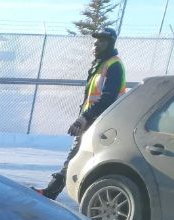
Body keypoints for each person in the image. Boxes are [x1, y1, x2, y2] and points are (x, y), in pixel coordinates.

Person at [36, 27, 126, 199]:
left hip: (102, 122)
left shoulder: (114, 66)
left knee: (85, 158)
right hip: (93, 121)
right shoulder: (101, 65)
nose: (96, 45)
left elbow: (107, 98)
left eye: (102, 41)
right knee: (77, 156)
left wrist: (85, 117)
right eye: (95, 41)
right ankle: (53, 191)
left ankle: (55, 192)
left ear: (111, 44)